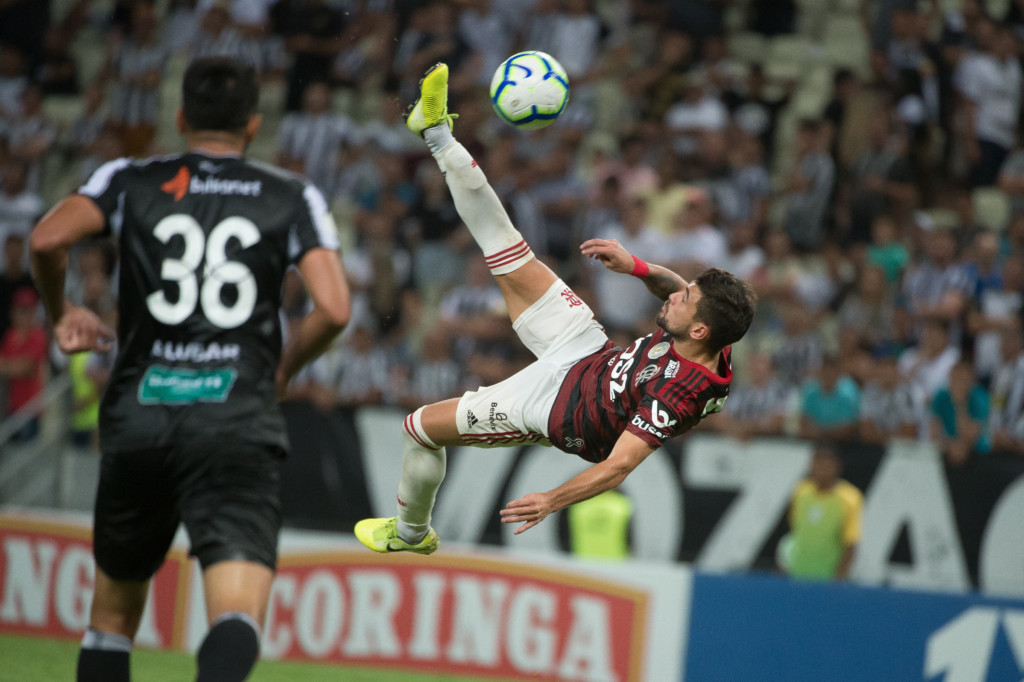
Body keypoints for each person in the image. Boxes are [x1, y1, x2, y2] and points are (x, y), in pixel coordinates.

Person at [29, 57, 351, 682]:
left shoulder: (129, 178)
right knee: (234, 615)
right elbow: (334, 309)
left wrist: (62, 309)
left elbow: (45, 240)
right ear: (255, 124)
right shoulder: (289, 194)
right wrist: (284, 368)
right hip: (235, 417)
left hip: (140, 412)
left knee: (112, 618)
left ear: (180, 118)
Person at [354, 63, 756, 554]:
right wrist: (637, 267)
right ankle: (435, 131)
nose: (675, 294)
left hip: (555, 409)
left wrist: (551, 499)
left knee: (418, 428)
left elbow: (620, 465)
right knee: (508, 247)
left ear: (697, 331)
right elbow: (675, 286)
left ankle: (410, 533)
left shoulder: (682, 392)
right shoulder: (710, 333)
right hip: (586, 349)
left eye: (684, 300)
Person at [782, 446, 863, 581]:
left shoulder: (850, 498)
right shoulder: (800, 491)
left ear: (837, 467)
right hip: (798, 573)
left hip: (828, 577)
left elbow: (850, 543)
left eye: (826, 466)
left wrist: (839, 576)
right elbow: (795, 532)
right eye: (816, 464)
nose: (820, 470)